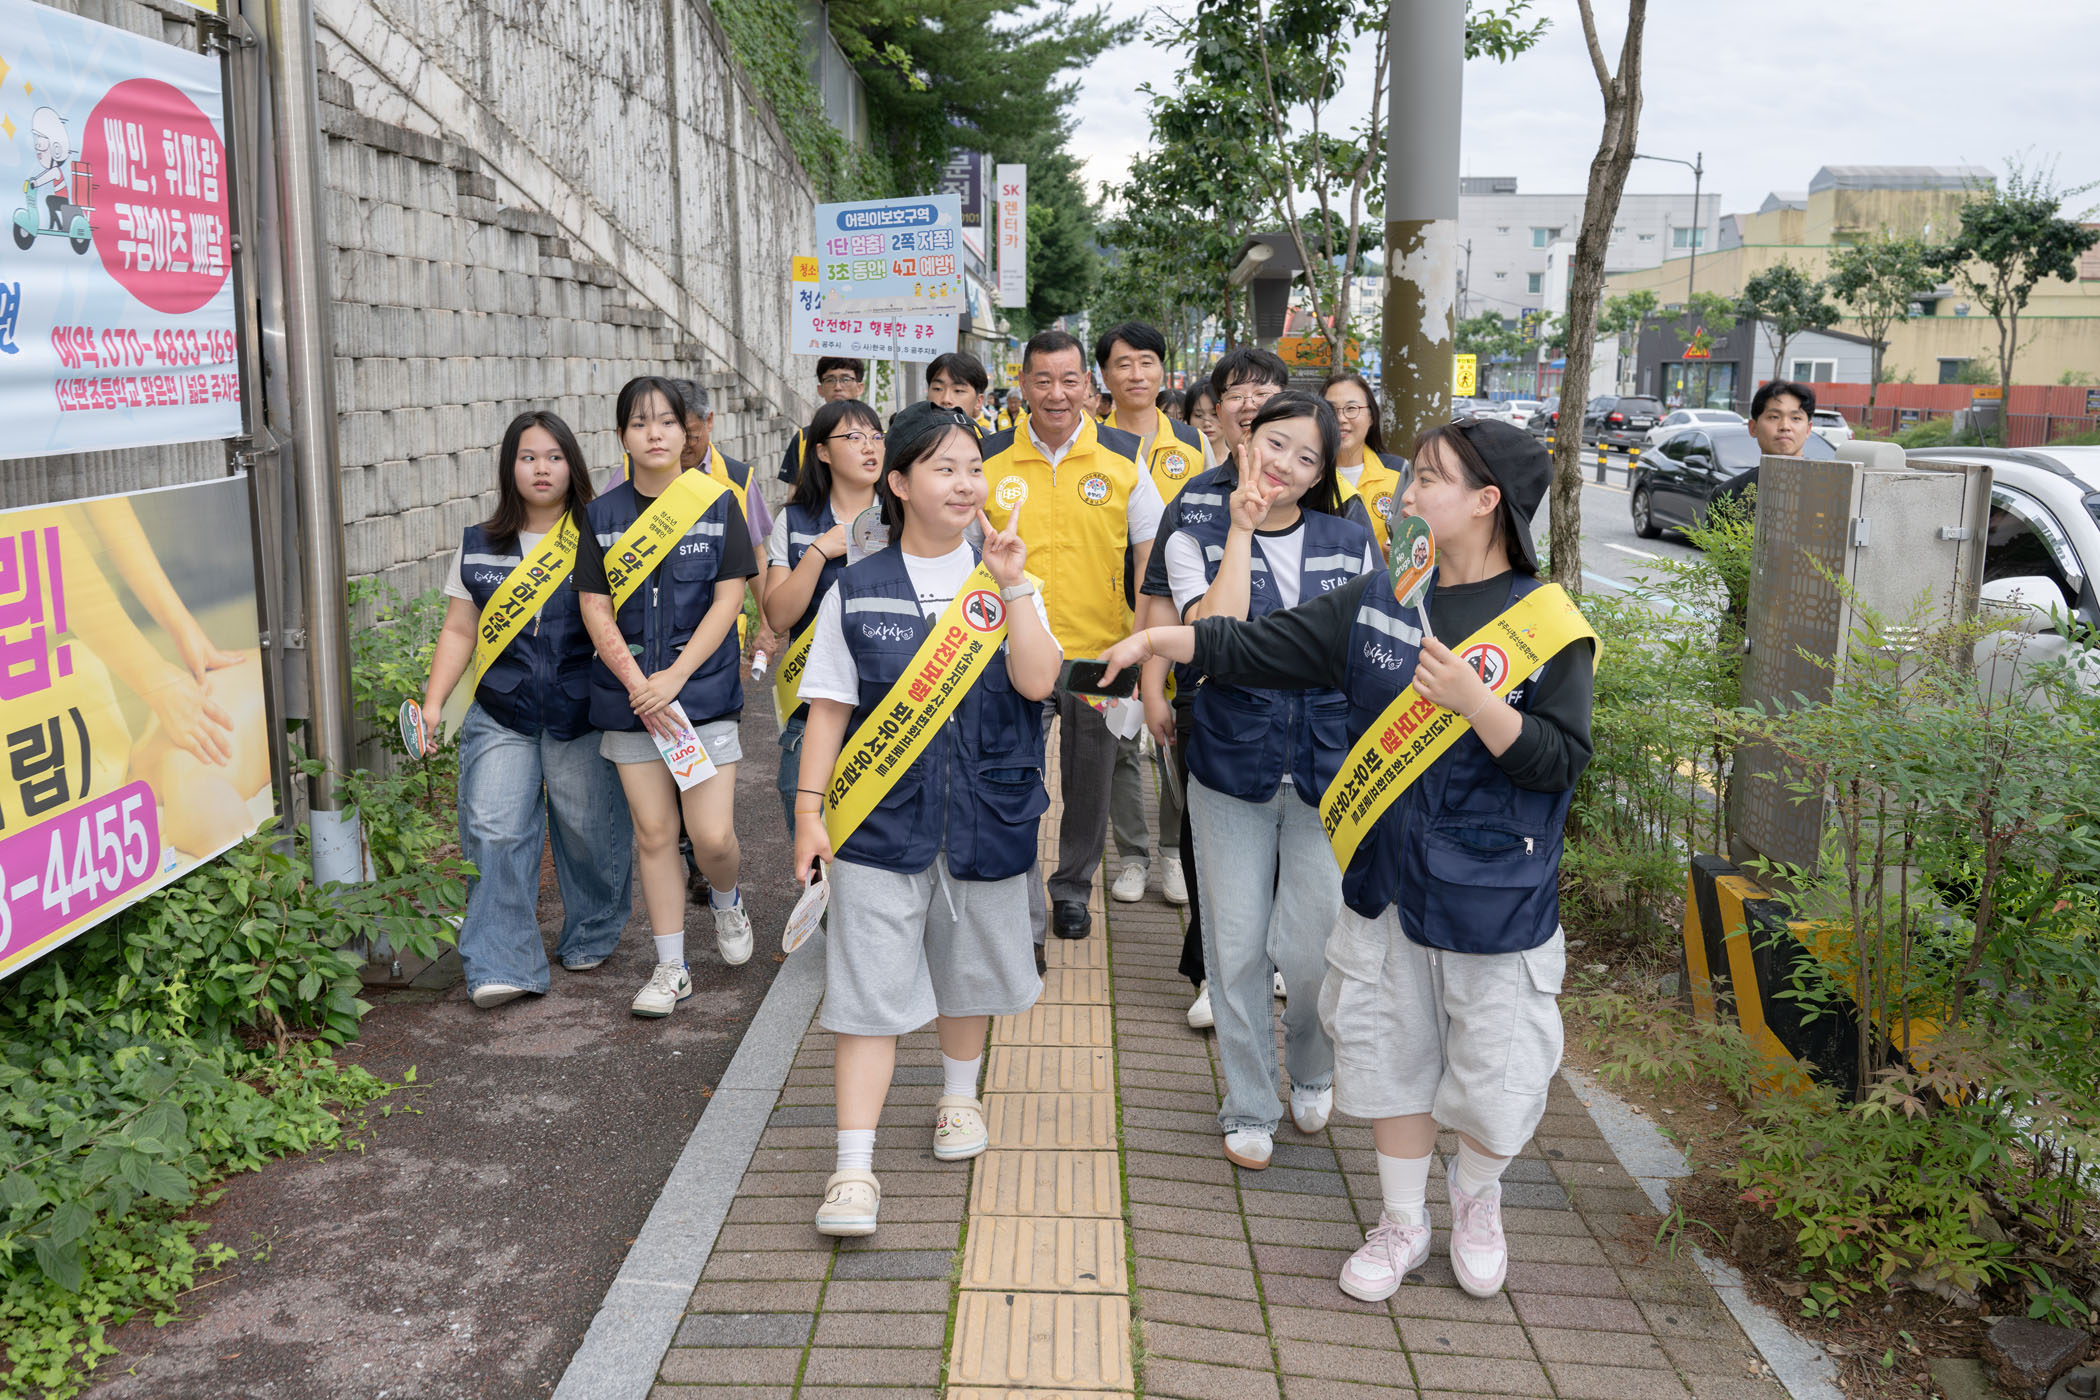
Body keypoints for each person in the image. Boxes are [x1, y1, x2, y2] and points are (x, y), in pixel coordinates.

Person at [1097, 416, 1595, 1302]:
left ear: (1487, 502)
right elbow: (1262, 645)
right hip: (1385, 884)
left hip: (1496, 896)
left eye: (1431, 479)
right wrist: (1156, 644)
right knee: (1389, 1059)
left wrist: (1478, 702)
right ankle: (1402, 1221)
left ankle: (1477, 1199)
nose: (1407, 493)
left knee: (1498, 1074)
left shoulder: (1548, 624)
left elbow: (1559, 762)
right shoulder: (1383, 598)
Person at [793, 401, 1060, 1237]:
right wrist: (808, 813)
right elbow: (828, 710)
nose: (965, 483)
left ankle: (957, 1097)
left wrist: (1014, 585)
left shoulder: (1003, 578)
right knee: (865, 991)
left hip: (987, 810)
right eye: (944, 468)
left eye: (974, 468)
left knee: (969, 968)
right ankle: (853, 1168)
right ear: (900, 484)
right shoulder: (855, 587)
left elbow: (1038, 682)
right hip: (878, 822)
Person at [1158, 391, 1376, 1167]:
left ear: (1320, 475)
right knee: (1238, 948)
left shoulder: (1351, 541)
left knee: (1314, 951)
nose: (1285, 465)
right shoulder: (1194, 529)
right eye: (1275, 443)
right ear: (1247, 441)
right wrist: (1242, 531)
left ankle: (1313, 1067)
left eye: (1307, 457)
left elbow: (1372, 652)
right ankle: (1250, 1103)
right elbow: (1211, 640)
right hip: (1231, 767)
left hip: (1326, 772)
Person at [420, 412, 633, 1008]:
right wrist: (434, 703)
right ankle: (500, 962)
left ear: (573, 465)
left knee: (590, 833)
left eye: (554, 457)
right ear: (509, 467)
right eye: (528, 457)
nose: (542, 469)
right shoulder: (479, 541)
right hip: (501, 710)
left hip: (583, 711)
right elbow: (459, 629)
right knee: (494, 829)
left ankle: (591, 931)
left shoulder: (601, 534)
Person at [578, 377, 760, 1017]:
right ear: (621, 436)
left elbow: (730, 598)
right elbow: (594, 608)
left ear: (687, 433)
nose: (653, 433)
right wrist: (638, 685)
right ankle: (671, 967)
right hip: (629, 700)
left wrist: (675, 678)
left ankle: (728, 899)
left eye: (665, 422)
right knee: (654, 834)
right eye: (639, 423)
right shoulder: (600, 516)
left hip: (701, 695)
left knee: (711, 837)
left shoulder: (718, 504)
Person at [980, 331, 1164, 944]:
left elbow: (1149, 559)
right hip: (1010, 651)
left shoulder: (1123, 455)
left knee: (1091, 782)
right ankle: (1019, 892)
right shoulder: (990, 456)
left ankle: (1071, 890)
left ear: (1088, 384)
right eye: (1042, 380)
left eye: (1069, 380)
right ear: (1023, 384)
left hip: (1100, 652)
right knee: (1011, 777)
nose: (1056, 394)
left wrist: (1138, 644)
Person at [1137, 346, 1292, 1027]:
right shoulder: (1194, 500)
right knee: (1210, 840)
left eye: (1264, 391)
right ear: (1217, 412)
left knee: (1291, 838)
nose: (1249, 404)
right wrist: (1152, 688)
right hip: (1210, 695)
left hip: (1301, 701)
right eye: (1235, 394)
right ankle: (1214, 973)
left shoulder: (1322, 500)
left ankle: (1276, 959)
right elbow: (1158, 602)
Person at [1095, 322, 1213, 907]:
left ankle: (1172, 853)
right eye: (1122, 364)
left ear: (1163, 370)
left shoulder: (1192, 444)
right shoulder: (1090, 442)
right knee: (1117, 739)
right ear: (1104, 375)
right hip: (1108, 616)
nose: (1135, 374)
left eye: (1146, 362)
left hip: (1177, 622)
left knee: (1170, 730)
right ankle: (1133, 856)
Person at [761, 398, 886, 833]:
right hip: (811, 711)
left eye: (876, 436)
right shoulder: (795, 521)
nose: (869, 446)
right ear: (822, 451)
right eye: (854, 437)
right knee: (813, 848)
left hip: (889, 711)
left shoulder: (904, 517)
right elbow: (779, 616)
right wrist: (818, 552)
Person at [1322, 370, 1409, 559]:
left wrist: (1401, 551)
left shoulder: (1398, 471)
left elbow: (1416, 536)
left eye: (1351, 408)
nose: (1341, 418)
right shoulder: (1308, 476)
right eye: (1331, 409)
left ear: (1371, 416)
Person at [776, 357, 868, 484]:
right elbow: (794, 491)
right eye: (830, 380)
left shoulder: (875, 439)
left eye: (846, 379)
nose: (838, 387)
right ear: (820, 390)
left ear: (860, 388)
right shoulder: (804, 439)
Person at [927, 351, 991, 432]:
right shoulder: (912, 437)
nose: (946, 400)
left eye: (958, 391)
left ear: (978, 401)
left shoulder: (990, 439)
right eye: (937, 389)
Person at [1182, 382, 1223, 456]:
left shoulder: (1240, 458)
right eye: (1199, 415)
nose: (1207, 424)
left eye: (1214, 414)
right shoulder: (1181, 460)